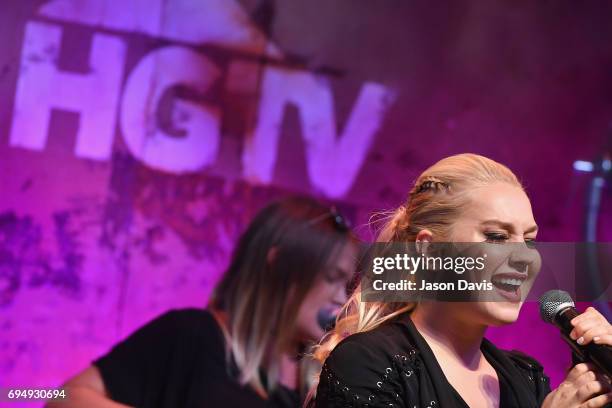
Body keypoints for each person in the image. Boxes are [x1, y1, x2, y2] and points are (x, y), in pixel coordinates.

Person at [310, 153, 612, 408]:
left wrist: (594, 375)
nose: (525, 258)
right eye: (496, 237)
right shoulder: (368, 363)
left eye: (530, 241)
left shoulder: (526, 378)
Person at [47, 196, 358, 408]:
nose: (341, 298)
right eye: (333, 277)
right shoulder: (191, 334)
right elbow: (60, 397)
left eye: (348, 285)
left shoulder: (320, 378)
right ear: (278, 266)